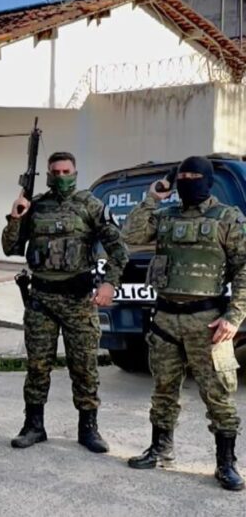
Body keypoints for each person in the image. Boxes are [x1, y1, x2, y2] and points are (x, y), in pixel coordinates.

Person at [122, 156, 246, 491]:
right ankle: (160, 449)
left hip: (208, 322)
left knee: (218, 393)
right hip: (165, 318)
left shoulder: (228, 218)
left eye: (195, 176)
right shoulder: (165, 216)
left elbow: (245, 268)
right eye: (183, 176)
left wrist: (234, 316)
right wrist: (153, 196)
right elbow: (130, 234)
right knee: (163, 389)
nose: (188, 181)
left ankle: (226, 463)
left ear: (207, 180)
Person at [2, 151, 127, 453]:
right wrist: (17, 216)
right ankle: (33, 426)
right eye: (54, 171)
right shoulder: (36, 207)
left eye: (65, 171)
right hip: (41, 299)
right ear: (47, 174)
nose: (60, 176)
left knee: (84, 366)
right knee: (37, 366)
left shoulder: (91, 206)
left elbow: (119, 249)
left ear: (75, 172)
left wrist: (110, 283)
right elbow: (9, 247)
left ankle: (89, 429)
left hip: (78, 300)